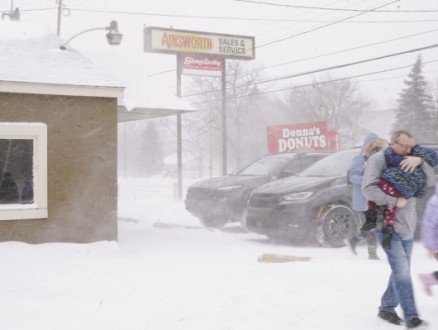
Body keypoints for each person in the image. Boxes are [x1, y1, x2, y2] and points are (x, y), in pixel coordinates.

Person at [362, 129, 436, 330]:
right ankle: (412, 317)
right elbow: (367, 188)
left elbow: (429, 182)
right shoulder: (378, 160)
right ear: (392, 143)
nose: (407, 150)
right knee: (402, 272)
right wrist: (394, 200)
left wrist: (419, 161)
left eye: (410, 146)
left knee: (400, 270)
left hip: (407, 225)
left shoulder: (412, 157)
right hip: (384, 223)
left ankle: (386, 307)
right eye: (403, 146)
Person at [360, 144, 438, 244]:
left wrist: (419, 161)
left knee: (387, 212)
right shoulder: (396, 157)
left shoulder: (416, 161)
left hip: (394, 191)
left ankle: (382, 229)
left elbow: (428, 179)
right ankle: (380, 229)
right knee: (387, 211)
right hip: (392, 189)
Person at [347, 133, 387, 260]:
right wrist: (368, 180)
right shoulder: (359, 159)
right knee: (372, 225)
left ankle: (354, 239)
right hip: (363, 199)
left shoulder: (377, 159)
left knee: (375, 225)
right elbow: (352, 177)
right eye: (374, 146)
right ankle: (372, 253)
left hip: (374, 198)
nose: (377, 149)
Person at [418, 182, 438, 296]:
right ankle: (429, 279)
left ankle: (429, 279)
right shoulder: (435, 203)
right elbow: (428, 225)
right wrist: (431, 246)